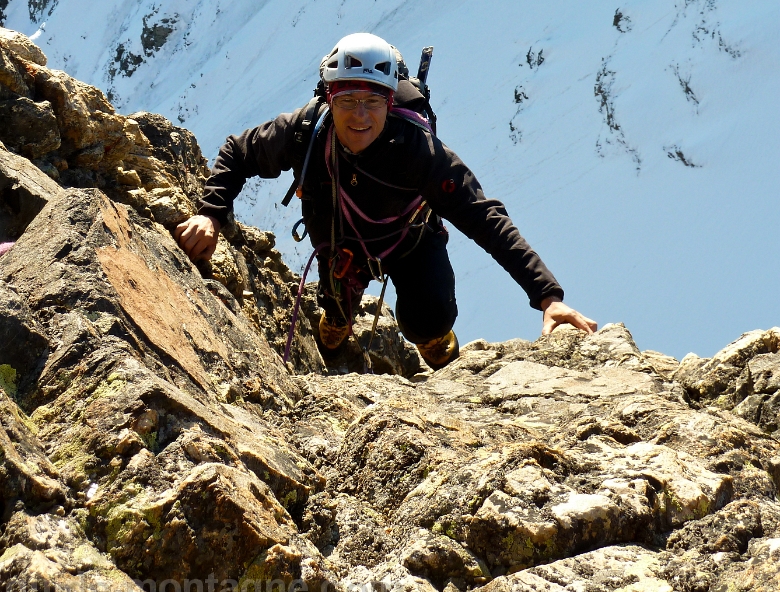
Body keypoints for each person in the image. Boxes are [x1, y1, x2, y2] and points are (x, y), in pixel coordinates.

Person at [175, 33, 596, 369]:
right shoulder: (306, 132)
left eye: (373, 101)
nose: (360, 114)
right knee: (336, 308)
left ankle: (433, 343)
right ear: (328, 99)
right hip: (340, 244)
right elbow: (239, 151)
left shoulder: (420, 153)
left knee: (429, 319)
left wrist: (547, 296)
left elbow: (484, 219)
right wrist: (211, 214)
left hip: (409, 243)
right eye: (348, 100)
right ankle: (340, 316)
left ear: (390, 102)